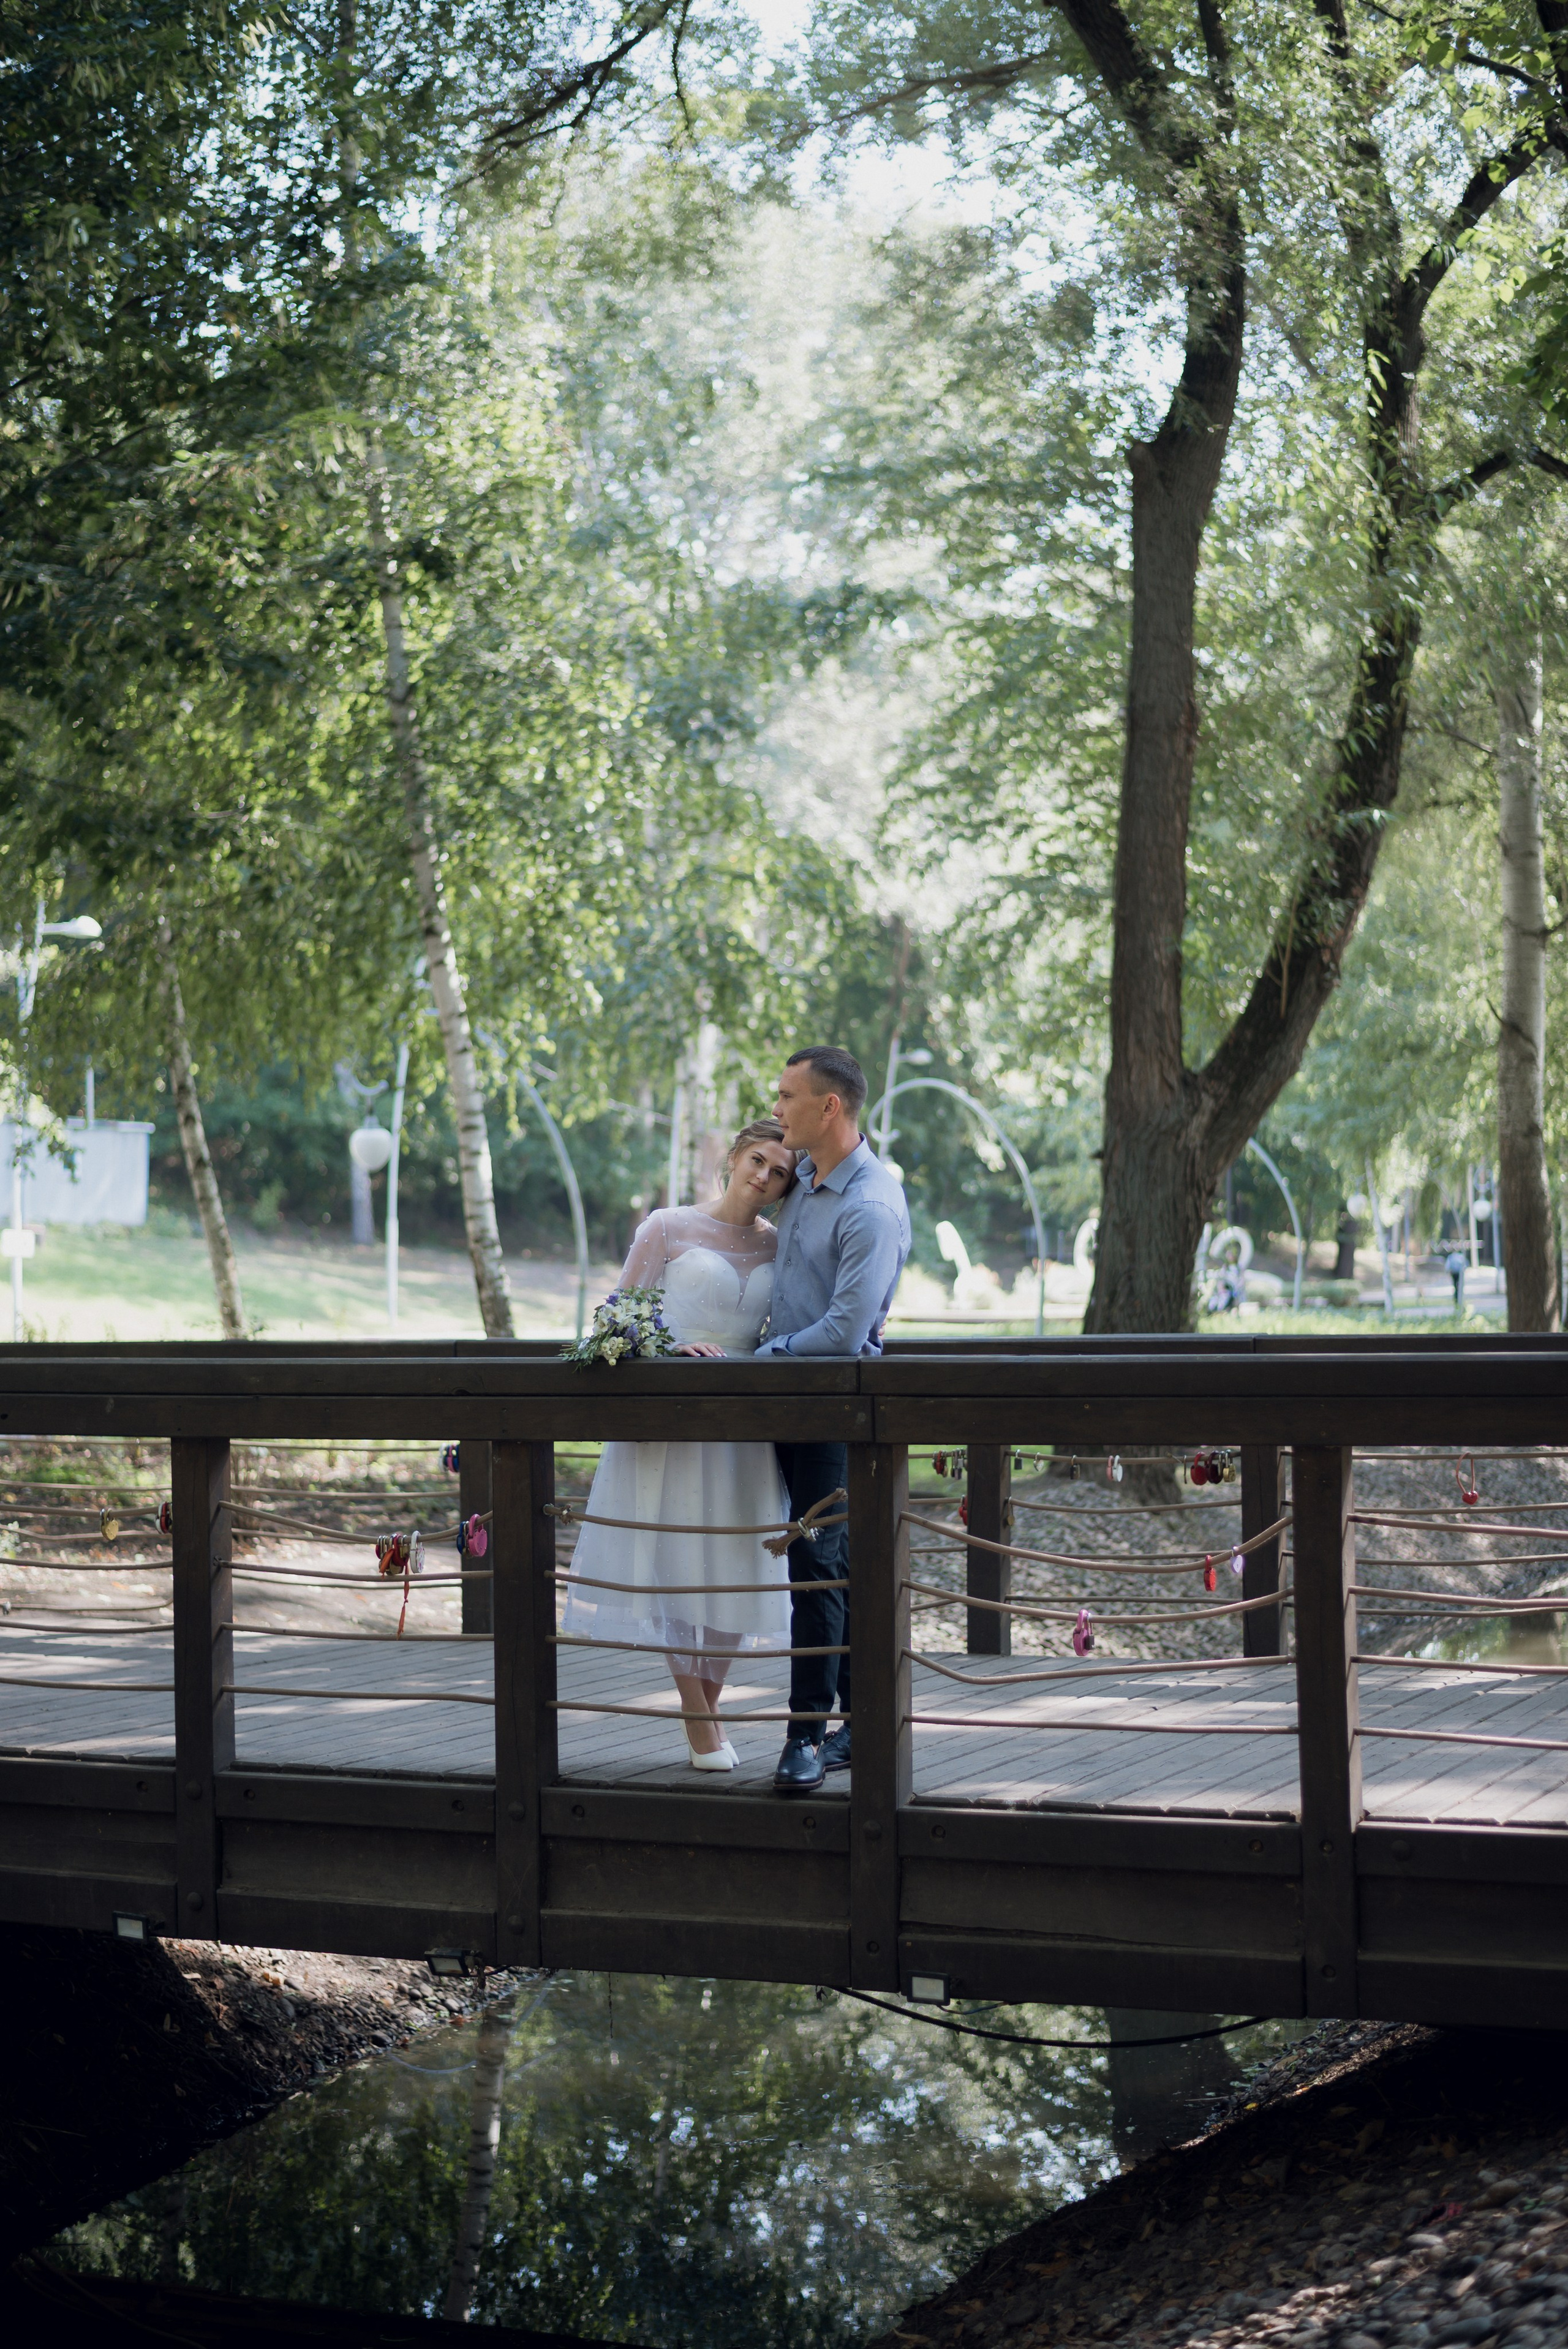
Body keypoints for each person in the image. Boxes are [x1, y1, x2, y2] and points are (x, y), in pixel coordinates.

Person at [560, 1120, 798, 1771]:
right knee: (673, 1562)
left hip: (743, 1428)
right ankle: (700, 1721)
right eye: (757, 1160)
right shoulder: (666, 1226)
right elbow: (614, 1316)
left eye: (779, 1171)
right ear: (733, 1157)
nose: (763, 1176)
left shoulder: (781, 1245)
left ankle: (708, 1709)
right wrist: (668, 1348)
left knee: (737, 1564)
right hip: (671, 1419)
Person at [754, 1046, 912, 1795]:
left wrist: (760, 1358)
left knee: (816, 1569)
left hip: (833, 1410)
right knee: (832, 1567)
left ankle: (805, 1739)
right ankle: (861, 1723)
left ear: (830, 1108)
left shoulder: (871, 1205)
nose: (775, 1107)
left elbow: (845, 1332)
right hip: (784, 1404)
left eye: (787, 1096)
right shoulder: (803, 1183)